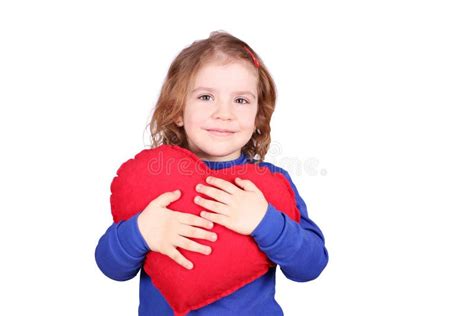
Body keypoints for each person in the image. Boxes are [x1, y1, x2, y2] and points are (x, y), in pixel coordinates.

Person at [95, 30, 329, 315]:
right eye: (206, 97)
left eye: (241, 100)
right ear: (178, 110)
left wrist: (264, 221)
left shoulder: (270, 185)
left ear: (258, 117)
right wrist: (141, 231)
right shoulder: (152, 180)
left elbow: (310, 266)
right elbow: (111, 267)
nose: (224, 113)